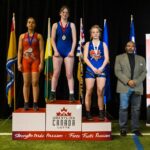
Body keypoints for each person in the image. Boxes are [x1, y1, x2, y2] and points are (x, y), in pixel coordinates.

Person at [114, 41, 146, 136]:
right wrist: (128, 81)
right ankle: (123, 128)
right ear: (125, 47)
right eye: (128, 46)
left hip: (137, 86)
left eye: (132, 46)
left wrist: (135, 82)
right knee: (123, 108)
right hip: (124, 86)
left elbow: (144, 72)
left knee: (136, 109)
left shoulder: (141, 59)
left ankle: (135, 129)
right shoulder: (119, 58)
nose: (130, 47)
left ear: (134, 48)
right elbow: (117, 71)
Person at [49, 5, 76, 102]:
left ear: (68, 15)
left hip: (69, 52)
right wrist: (55, 51)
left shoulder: (72, 25)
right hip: (58, 52)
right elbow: (52, 39)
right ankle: (52, 94)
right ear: (60, 13)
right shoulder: (55, 25)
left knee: (69, 74)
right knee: (56, 73)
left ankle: (71, 95)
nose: (65, 14)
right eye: (63, 12)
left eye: (66, 13)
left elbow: (74, 39)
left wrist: (72, 51)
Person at [17, 17, 44, 111]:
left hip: (35, 61)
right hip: (25, 62)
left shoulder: (39, 36)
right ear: (26, 24)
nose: (31, 24)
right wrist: (18, 63)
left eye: (32, 22)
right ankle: (26, 103)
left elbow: (41, 51)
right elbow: (20, 51)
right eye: (29, 22)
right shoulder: (22, 36)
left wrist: (41, 63)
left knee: (35, 82)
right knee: (26, 83)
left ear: (35, 25)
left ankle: (35, 103)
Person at [84, 25, 109, 121]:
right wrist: (93, 68)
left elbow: (107, 58)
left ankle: (101, 112)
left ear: (100, 34)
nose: (95, 34)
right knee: (89, 91)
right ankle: (88, 112)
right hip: (91, 69)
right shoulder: (87, 44)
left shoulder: (103, 44)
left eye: (97, 32)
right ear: (91, 34)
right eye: (93, 32)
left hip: (101, 69)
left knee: (100, 91)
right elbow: (85, 58)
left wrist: (101, 68)